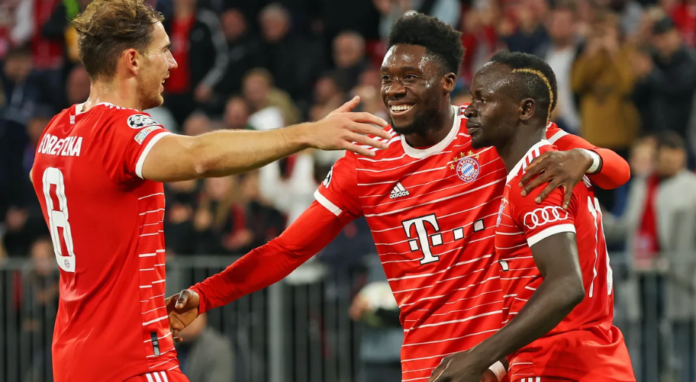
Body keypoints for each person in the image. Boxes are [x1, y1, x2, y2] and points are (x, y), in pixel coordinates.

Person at [167, 14, 631, 382]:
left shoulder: (492, 124)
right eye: (388, 77)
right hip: (428, 365)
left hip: (499, 361)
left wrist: (587, 160)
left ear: (449, 81)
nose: (394, 89)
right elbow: (288, 249)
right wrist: (204, 295)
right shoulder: (364, 163)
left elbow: (614, 169)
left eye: (410, 76)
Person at [28, 1, 390, 382]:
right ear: (132, 60)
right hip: (131, 358)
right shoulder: (119, 131)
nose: (172, 63)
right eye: (164, 50)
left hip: (72, 353)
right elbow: (199, 157)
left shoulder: (58, 129)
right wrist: (307, 133)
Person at [427, 52, 635, 381]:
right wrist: (498, 364)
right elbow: (534, 286)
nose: (469, 108)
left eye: (483, 98)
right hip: (586, 354)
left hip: (561, 363)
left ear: (526, 109)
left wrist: (477, 358)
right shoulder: (543, 164)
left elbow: (565, 286)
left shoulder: (541, 170)